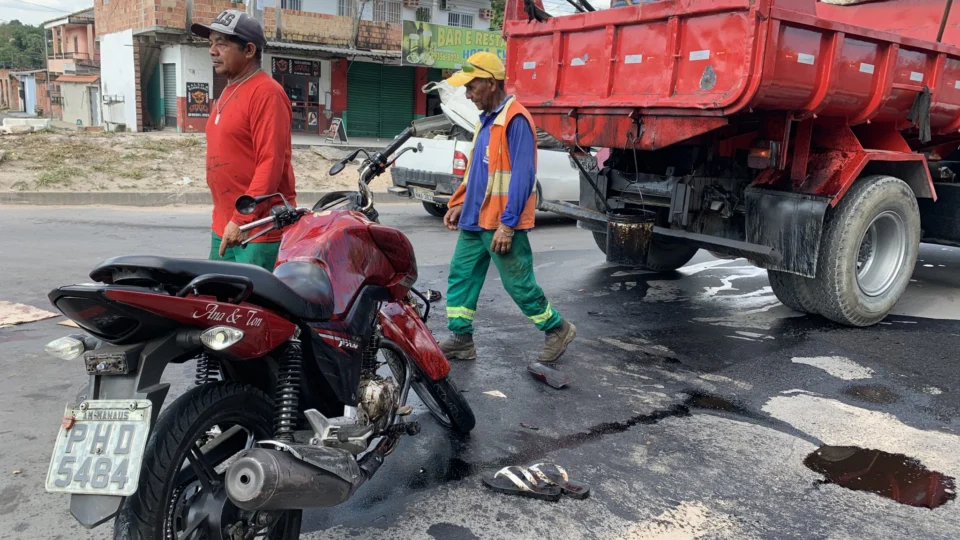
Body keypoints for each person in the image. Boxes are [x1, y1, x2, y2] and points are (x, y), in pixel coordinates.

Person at [437, 52, 576, 363]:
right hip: (475, 220)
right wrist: (459, 204)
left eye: (471, 87)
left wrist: (508, 224)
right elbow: (478, 171)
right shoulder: (486, 121)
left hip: (499, 222)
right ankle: (461, 339)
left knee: (518, 283)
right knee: (461, 276)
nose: (467, 94)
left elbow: (523, 176)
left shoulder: (515, 120)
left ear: (490, 83)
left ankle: (557, 329)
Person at [191, 10, 297, 272]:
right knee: (219, 306)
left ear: (249, 50)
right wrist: (228, 220)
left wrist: (241, 219)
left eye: (222, 43)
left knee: (255, 310)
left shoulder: (266, 93)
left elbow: (270, 164)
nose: (212, 51)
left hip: (257, 230)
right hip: (225, 224)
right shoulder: (228, 91)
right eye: (211, 43)